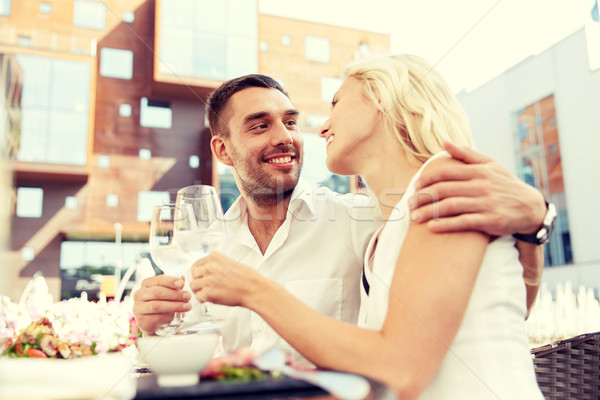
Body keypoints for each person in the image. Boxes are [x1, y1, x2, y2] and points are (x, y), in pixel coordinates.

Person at [189, 57, 545, 399]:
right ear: (223, 149)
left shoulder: (442, 184)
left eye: (336, 103)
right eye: (260, 124)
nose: (321, 127)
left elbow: (400, 371)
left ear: (380, 101)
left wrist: (255, 291)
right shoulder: (384, 227)